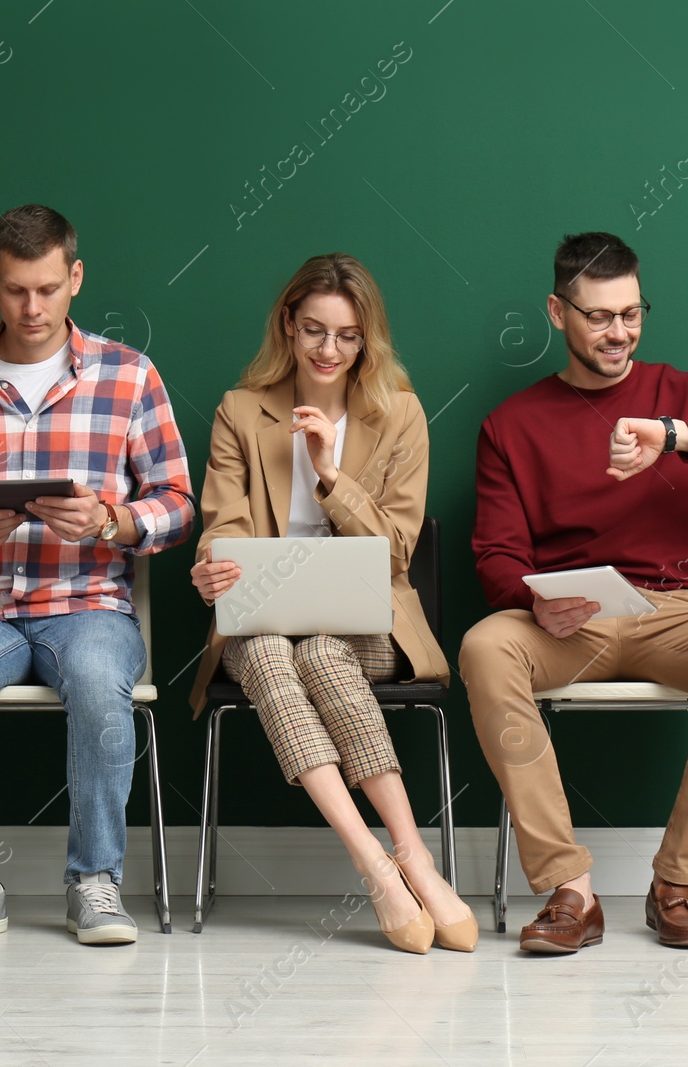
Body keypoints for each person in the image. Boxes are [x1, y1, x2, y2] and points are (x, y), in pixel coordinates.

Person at [461, 231, 688, 953]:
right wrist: (531, 601)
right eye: (598, 316)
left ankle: (675, 883)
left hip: (677, 612)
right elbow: (495, 552)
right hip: (568, 619)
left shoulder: (681, 394)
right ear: (558, 313)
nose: (618, 332)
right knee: (484, 646)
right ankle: (570, 891)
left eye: (631, 313)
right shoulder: (511, 424)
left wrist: (679, 434)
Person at [0, 205, 194, 947]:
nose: (33, 307)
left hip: (89, 604)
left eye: (49, 288)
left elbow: (180, 505)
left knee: (94, 675)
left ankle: (95, 883)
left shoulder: (129, 375)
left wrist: (112, 522)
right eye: (17, 289)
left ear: (75, 277)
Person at [187, 253, 473, 954]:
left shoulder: (400, 415)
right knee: (278, 649)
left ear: (366, 340)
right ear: (287, 324)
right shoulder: (240, 410)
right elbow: (222, 526)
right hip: (265, 626)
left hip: (369, 626)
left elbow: (397, 552)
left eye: (346, 336)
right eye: (314, 329)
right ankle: (379, 862)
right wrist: (210, 565)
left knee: (318, 647)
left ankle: (411, 856)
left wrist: (329, 472)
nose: (327, 350)